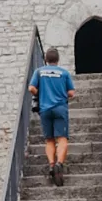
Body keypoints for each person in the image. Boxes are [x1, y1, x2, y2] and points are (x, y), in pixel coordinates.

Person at [29, 47, 75, 186]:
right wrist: (61, 94)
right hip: (60, 108)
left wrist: (40, 94)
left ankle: (51, 164)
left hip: (45, 109)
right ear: (58, 59)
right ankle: (59, 164)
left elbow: (31, 88)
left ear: (46, 60)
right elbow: (72, 93)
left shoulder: (39, 72)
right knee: (62, 138)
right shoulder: (64, 73)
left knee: (49, 140)